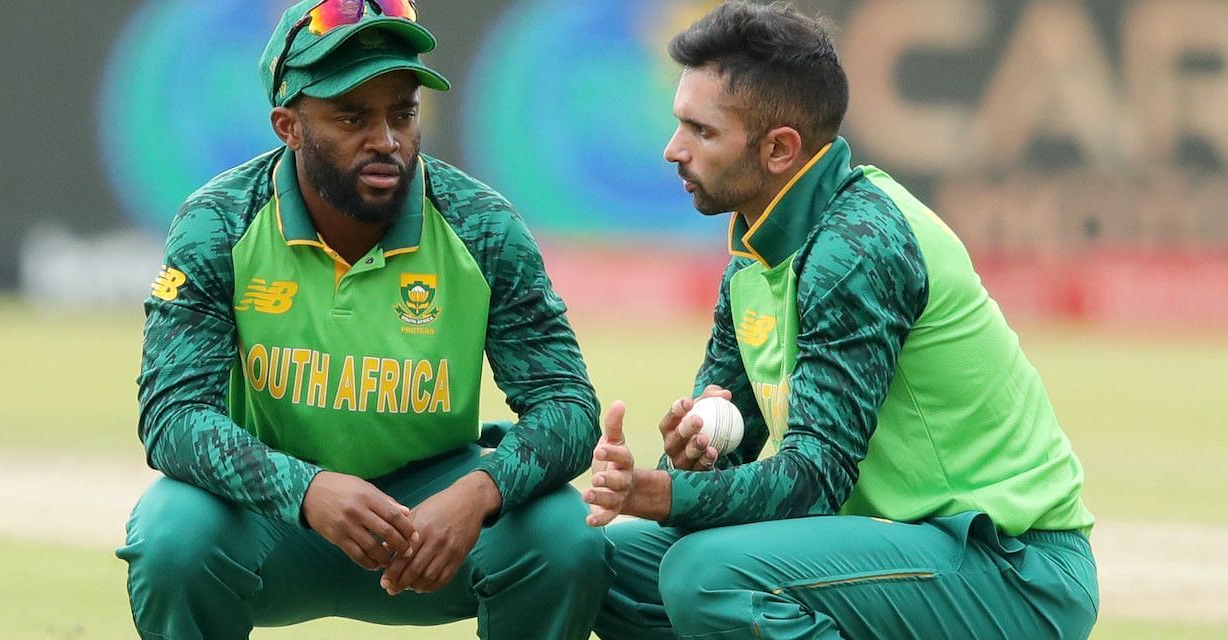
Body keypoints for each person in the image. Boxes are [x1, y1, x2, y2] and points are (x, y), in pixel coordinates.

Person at [584, 3, 1099, 639]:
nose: (672, 150)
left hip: (1014, 570)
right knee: (601, 564)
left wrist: (658, 495)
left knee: (706, 575)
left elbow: (812, 481)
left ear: (779, 149)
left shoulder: (857, 245)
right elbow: (733, 462)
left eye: (701, 131)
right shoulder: (753, 253)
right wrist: (691, 462)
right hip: (899, 556)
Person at [116, 1, 611, 638]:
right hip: (272, 520)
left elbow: (567, 405)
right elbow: (172, 416)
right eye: (352, 117)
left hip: (433, 517)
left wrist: (479, 491)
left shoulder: (482, 225)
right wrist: (305, 490)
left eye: (402, 112)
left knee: (562, 537)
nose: (386, 141)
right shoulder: (220, 222)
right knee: (173, 536)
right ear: (288, 126)